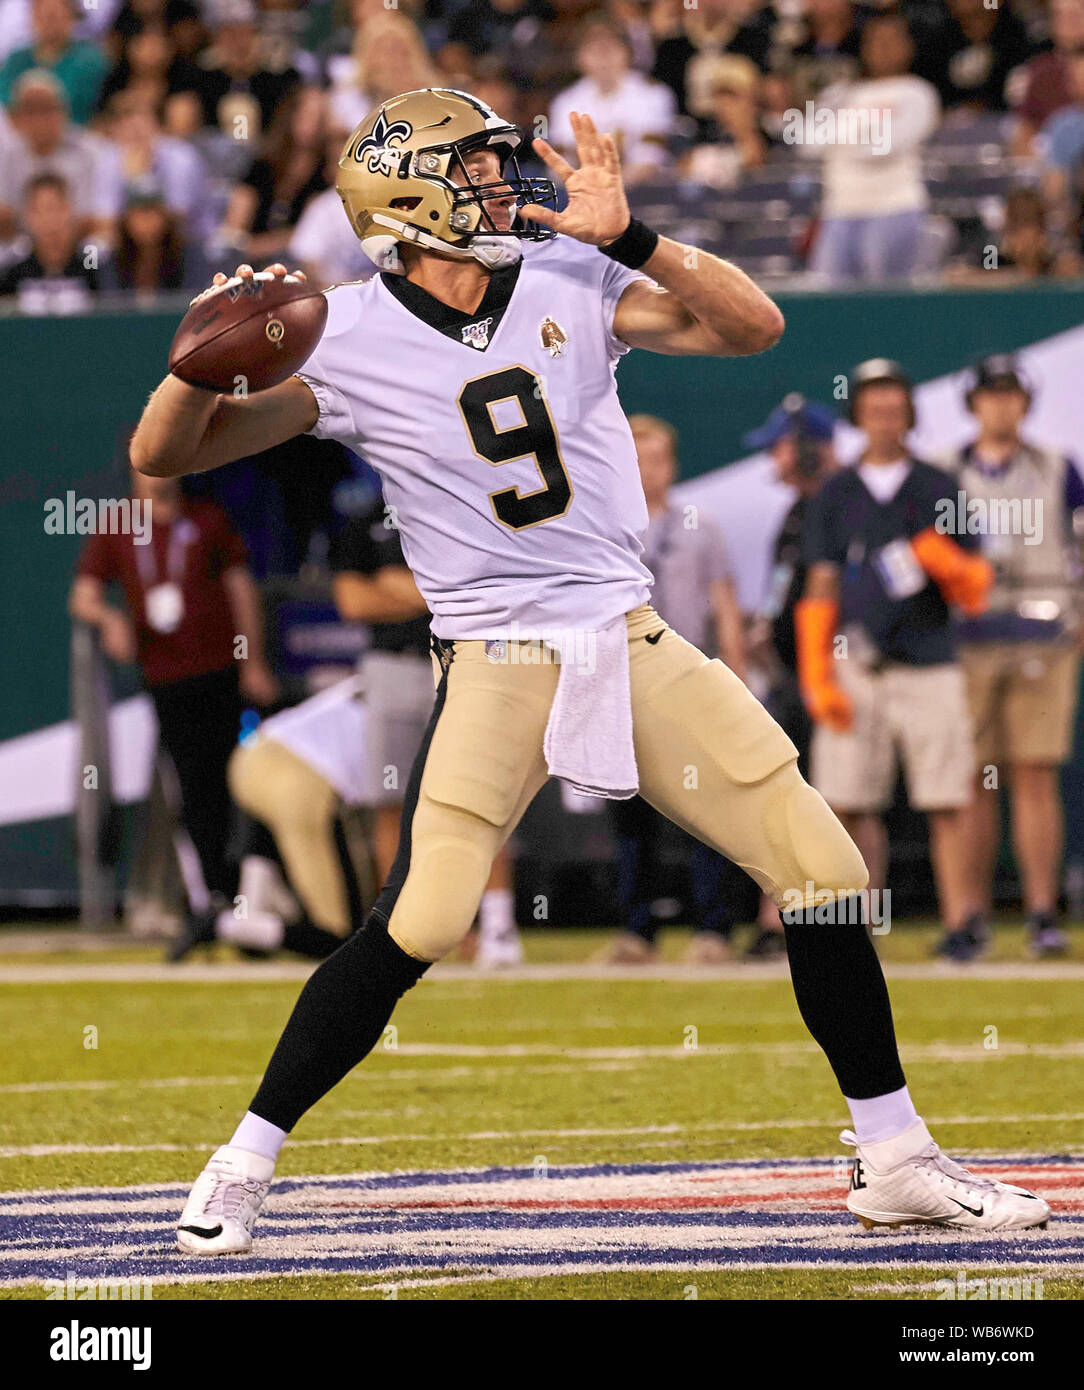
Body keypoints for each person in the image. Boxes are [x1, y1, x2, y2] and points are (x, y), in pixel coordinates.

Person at [126, 89, 1049, 1250]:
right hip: (496, 657)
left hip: (625, 635)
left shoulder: (571, 275)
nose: (506, 183)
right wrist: (194, 370)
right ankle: (244, 1157)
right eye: (476, 167)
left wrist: (630, 236)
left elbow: (753, 327)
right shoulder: (347, 333)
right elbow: (165, 454)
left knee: (826, 867)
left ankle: (897, 1157)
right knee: (423, 917)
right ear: (409, 196)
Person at [797, 359, 994, 961]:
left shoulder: (938, 484)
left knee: (946, 797)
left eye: (895, 407)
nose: (885, 418)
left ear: (909, 413)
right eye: (874, 408)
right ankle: (857, 920)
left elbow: (976, 585)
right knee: (848, 799)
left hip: (929, 659)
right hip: (858, 661)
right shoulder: (837, 492)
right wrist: (816, 671)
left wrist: (949, 564)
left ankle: (963, 921)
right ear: (858, 415)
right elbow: (821, 583)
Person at [69, 462, 279, 921]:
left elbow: (240, 588)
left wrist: (254, 661)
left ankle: (257, 887)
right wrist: (110, 618)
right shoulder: (118, 526)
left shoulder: (207, 518)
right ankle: (214, 896)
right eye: (149, 466)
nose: (159, 476)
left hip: (222, 671)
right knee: (189, 785)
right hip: (165, 678)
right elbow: (83, 595)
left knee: (244, 777)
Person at [332, 496, 524, 968]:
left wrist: (398, 587)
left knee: (481, 795)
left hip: (464, 662)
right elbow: (353, 602)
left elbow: (490, 591)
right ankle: (394, 929)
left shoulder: (464, 504)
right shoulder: (365, 519)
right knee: (391, 801)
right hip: (393, 670)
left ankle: (497, 927)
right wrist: (437, 591)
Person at [935, 356, 1084, 958]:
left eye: (1011, 395)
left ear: (1025, 402)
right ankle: (970, 913)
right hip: (966, 635)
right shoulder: (944, 470)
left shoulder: (1057, 467)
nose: (1001, 406)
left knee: (1034, 772)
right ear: (973, 404)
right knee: (970, 779)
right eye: (990, 395)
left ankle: (1042, 911)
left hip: (1041, 633)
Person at [603, 411, 752, 966]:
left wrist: (736, 679)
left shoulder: (700, 523)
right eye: (638, 458)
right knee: (630, 813)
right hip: (621, 683)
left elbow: (725, 603)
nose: (648, 470)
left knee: (705, 811)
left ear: (674, 464)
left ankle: (713, 929)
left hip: (688, 683)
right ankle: (636, 931)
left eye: (658, 458)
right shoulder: (601, 521)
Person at [743, 394, 840, 958]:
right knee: (788, 796)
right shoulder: (799, 509)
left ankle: (825, 917)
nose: (774, 459)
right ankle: (782, 915)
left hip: (824, 679)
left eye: (782, 446)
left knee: (826, 800)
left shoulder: (838, 503)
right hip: (791, 678)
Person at [808, 11, 940, 286]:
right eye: (876, 40)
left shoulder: (917, 92)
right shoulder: (840, 94)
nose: (883, 48)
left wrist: (845, 137)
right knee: (827, 297)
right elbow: (809, 143)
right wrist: (862, 134)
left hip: (894, 208)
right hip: (839, 211)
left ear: (908, 46)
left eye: (892, 40)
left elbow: (884, 146)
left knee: (884, 300)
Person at [548, 16, 678, 184]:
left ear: (628, 53)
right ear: (579, 58)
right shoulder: (565, 101)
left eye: (610, 49)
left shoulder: (653, 94)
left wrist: (613, 188)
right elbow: (562, 159)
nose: (603, 59)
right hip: (586, 190)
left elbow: (651, 156)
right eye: (594, 51)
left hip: (645, 188)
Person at [0, 170, 98, 310]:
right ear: (27, 216)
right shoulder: (14, 268)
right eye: (38, 211)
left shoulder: (91, 261)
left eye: (53, 208)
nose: (47, 219)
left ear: (68, 210)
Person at [0, 0, 108, 125]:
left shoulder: (89, 60)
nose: (48, 22)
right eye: (42, 15)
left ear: (71, 16)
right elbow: (4, 99)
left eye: (54, 16)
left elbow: (83, 106)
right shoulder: (17, 58)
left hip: (74, 133)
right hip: (18, 135)